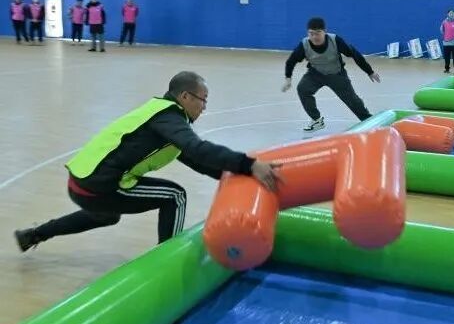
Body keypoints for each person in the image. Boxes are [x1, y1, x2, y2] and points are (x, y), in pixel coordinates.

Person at [14, 72, 281, 251]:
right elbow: (197, 149)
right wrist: (248, 164)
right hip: (100, 184)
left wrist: (236, 176)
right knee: (175, 196)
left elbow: (196, 160)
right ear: (185, 97)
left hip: (81, 182)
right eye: (203, 100)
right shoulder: (169, 117)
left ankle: (34, 235)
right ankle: (166, 260)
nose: (204, 107)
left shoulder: (159, 112)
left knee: (107, 215)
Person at [282, 17, 380, 132]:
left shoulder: (335, 40)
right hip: (315, 74)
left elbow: (354, 54)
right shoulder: (304, 44)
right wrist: (288, 78)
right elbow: (291, 61)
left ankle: (368, 121)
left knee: (353, 101)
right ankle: (317, 120)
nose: (314, 37)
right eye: (311, 33)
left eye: (318, 33)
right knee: (303, 89)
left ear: (324, 31)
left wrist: (369, 71)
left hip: (337, 75)